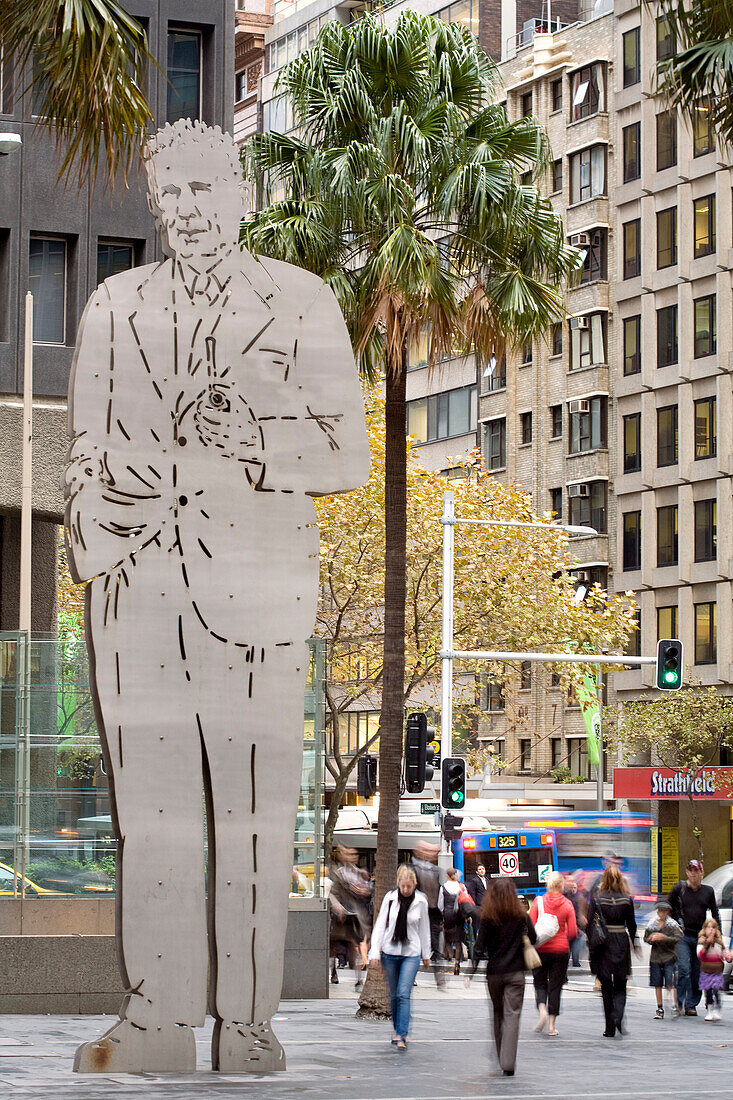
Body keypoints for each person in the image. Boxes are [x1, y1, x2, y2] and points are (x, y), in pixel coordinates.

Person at [64, 120, 370, 1074]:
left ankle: (247, 1024)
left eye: (202, 192)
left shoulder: (303, 301)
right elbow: (84, 445)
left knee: (249, 817)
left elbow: (349, 454)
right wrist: (95, 525)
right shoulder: (115, 304)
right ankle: (155, 1017)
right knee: (149, 819)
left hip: (254, 593)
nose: (186, 213)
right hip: (136, 594)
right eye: (171, 199)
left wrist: (258, 444)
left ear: (239, 194)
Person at [469, 878, 537, 1077]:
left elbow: (479, 947)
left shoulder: (488, 917)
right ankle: (509, 1062)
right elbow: (533, 938)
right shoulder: (521, 917)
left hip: (495, 974)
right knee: (512, 1016)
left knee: (498, 1015)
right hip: (516, 973)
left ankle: (501, 1057)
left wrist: (470, 972)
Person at [369, 866, 431, 1049]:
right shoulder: (390, 898)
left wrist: (426, 953)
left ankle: (401, 1034)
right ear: (398, 884)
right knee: (394, 995)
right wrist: (374, 952)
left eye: (409, 887)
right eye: (403, 886)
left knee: (404, 993)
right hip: (390, 951)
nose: (405, 890)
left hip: (411, 952)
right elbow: (380, 925)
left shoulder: (421, 901)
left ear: (415, 885)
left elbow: (424, 928)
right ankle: (397, 1029)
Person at [587, 864, 637, 1038]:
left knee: (606, 986)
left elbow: (589, 925)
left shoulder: (597, 899)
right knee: (621, 984)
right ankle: (619, 1016)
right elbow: (632, 924)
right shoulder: (626, 899)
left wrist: (591, 944)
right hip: (621, 941)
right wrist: (634, 942)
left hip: (604, 944)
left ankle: (609, 1026)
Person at [669, 859, 720, 1016]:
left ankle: (691, 1004)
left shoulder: (708, 891)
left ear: (701, 873)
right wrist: (675, 923)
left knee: (697, 971)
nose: (693, 873)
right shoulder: (680, 888)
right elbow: (667, 906)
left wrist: (716, 935)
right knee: (684, 968)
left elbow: (714, 912)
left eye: (696, 870)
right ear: (687, 872)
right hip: (683, 935)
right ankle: (678, 1002)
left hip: (700, 937)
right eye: (690, 870)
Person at [529, 871, 577, 1036]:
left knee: (540, 982)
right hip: (560, 951)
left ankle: (542, 1010)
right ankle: (551, 1025)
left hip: (540, 949)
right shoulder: (567, 904)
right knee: (555, 986)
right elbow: (573, 932)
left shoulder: (538, 901)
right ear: (561, 885)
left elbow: (531, 925)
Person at [412, 844, 445, 988]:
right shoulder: (412, 868)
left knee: (436, 946)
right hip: (417, 912)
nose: (430, 853)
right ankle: (412, 975)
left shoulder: (437, 871)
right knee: (415, 945)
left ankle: (439, 977)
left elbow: (441, 894)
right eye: (427, 850)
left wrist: (441, 916)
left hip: (433, 913)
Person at [643, 898, 681, 1019]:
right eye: (660, 911)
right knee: (657, 983)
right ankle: (660, 1007)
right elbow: (646, 938)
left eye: (665, 911)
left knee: (671, 982)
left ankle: (674, 1005)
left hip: (669, 956)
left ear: (668, 912)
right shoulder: (652, 924)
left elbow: (677, 939)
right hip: (655, 957)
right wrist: (652, 938)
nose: (662, 914)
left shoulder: (672, 925)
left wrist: (663, 937)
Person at [697, 918, 732, 1021]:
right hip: (706, 971)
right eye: (708, 927)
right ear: (704, 929)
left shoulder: (719, 943)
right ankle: (710, 1010)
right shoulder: (701, 942)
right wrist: (707, 944)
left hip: (717, 971)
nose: (711, 930)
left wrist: (729, 957)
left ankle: (717, 1008)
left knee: (716, 989)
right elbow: (700, 955)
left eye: (713, 927)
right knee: (708, 992)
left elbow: (725, 954)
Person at [439, 868, 464, 975]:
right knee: (458, 941)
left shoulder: (443, 888)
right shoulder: (461, 887)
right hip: (459, 915)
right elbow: (465, 901)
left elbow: (440, 905)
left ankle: (449, 955)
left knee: (447, 938)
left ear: (447, 876)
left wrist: (441, 917)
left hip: (447, 915)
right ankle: (457, 962)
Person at [563, 877, 587, 968]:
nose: (573, 889)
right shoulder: (567, 897)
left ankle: (575, 963)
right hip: (570, 928)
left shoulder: (579, 898)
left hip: (577, 928)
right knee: (569, 949)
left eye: (575, 888)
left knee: (575, 950)